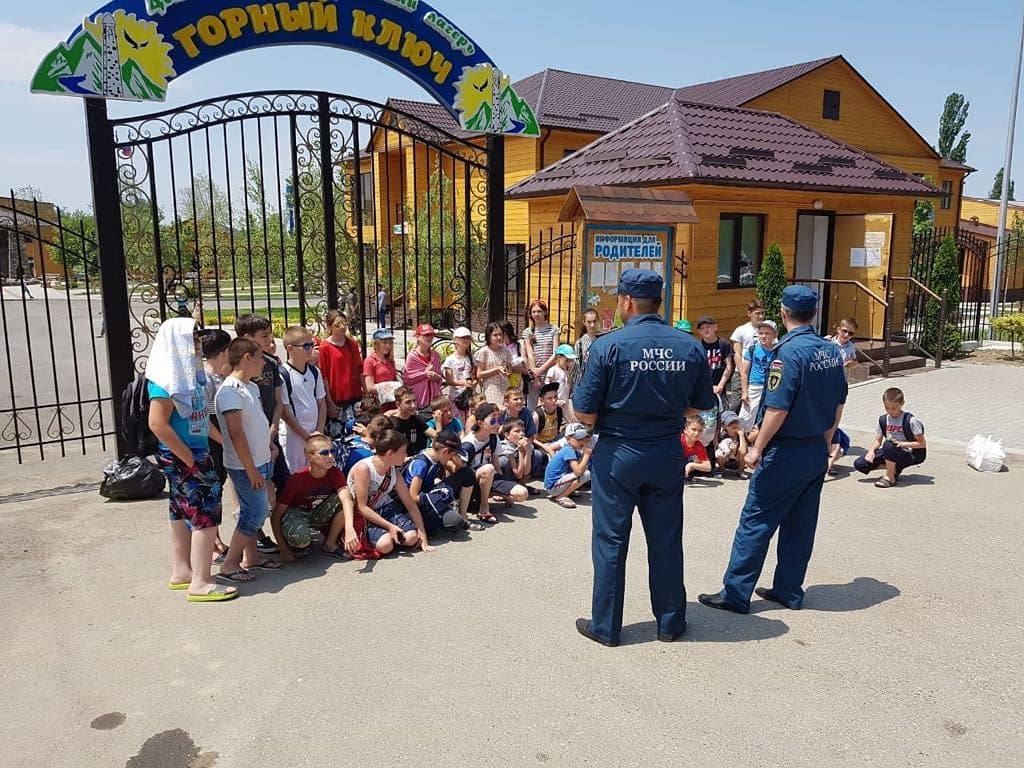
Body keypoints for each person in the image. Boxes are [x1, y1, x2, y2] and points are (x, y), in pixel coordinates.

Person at [572, 267, 715, 646]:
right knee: (666, 539)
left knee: (610, 540)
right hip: (666, 449)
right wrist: (664, 413)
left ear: (626, 301)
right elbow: (701, 404)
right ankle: (670, 622)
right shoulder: (688, 345)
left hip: (619, 451)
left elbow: (584, 413)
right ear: (659, 301)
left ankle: (606, 626)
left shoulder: (608, 345)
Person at [698, 285, 847, 615]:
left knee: (756, 520)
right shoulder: (830, 351)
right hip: (813, 450)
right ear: (814, 314)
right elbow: (839, 402)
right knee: (800, 523)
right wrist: (825, 442)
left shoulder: (788, 353)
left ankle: (736, 594)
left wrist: (756, 448)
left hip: (786, 450)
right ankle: (789, 590)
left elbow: (778, 409)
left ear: (782, 312)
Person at [146, 318, 234, 602]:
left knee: (181, 511)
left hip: (195, 452)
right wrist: (189, 458)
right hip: (185, 456)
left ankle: (183, 571)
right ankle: (201, 581)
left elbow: (198, 419)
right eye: (193, 339)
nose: (198, 343)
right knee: (205, 514)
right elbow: (157, 423)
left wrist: (224, 442)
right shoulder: (164, 379)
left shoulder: (190, 376)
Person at [215, 337, 284, 583]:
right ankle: (231, 563)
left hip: (261, 459)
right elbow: (236, 433)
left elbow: (254, 424)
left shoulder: (250, 387)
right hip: (246, 465)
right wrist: (251, 469)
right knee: (254, 513)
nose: (263, 364)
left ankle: (251, 556)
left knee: (257, 509)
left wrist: (268, 447)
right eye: (259, 358)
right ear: (246, 357)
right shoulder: (229, 391)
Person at [234, 314, 287, 552]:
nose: (269, 339)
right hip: (251, 442)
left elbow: (278, 401)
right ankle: (253, 542)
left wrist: (274, 425)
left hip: (270, 435)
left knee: (282, 483)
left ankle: (286, 530)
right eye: (264, 336)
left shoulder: (271, 364)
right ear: (247, 338)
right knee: (253, 494)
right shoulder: (235, 371)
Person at [270, 434, 357, 562]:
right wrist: (282, 549)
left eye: (332, 451)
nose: (331, 456)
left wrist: (350, 528)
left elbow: (346, 498)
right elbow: (275, 516)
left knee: (348, 498)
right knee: (301, 540)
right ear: (310, 457)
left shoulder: (334, 472)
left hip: (316, 512)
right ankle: (295, 542)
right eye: (324, 453)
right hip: (296, 514)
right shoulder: (297, 479)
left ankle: (330, 543)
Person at [347, 429, 433, 555]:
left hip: (385, 508)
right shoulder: (364, 469)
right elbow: (362, 507)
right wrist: (390, 526)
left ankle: (391, 536)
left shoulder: (394, 471)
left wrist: (423, 535)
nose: (406, 454)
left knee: (411, 537)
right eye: (403, 451)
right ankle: (386, 536)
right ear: (390, 453)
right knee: (385, 545)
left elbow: (410, 503)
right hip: (366, 514)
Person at [403, 429, 482, 533]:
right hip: (419, 502)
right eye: (453, 454)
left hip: (429, 492)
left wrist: (458, 464)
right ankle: (420, 523)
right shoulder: (421, 464)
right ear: (445, 451)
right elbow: (412, 497)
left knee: (466, 473)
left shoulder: (437, 457)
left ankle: (463, 515)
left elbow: (456, 472)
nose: (452, 458)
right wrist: (436, 497)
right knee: (455, 522)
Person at [462, 402, 529, 523]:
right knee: (488, 468)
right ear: (480, 423)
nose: (497, 424)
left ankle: (490, 493)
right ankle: (483, 508)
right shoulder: (468, 443)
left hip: (489, 476)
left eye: (499, 420)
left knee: (522, 493)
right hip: (471, 481)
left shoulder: (493, 438)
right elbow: (460, 471)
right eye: (493, 421)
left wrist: (504, 491)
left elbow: (497, 466)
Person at [853, 388, 926, 487]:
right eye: (887, 408)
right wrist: (871, 451)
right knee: (860, 464)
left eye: (894, 408)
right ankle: (894, 468)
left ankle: (890, 477)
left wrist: (903, 444)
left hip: (908, 453)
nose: (890, 411)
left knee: (888, 445)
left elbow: (922, 444)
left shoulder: (911, 421)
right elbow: (877, 440)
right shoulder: (883, 420)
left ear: (902, 404)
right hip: (890, 451)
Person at [278, 326, 327, 473]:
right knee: (297, 475)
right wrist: (305, 436)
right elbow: (285, 412)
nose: (311, 349)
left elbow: (321, 403)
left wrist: (319, 431)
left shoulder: (314, 371)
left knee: (316, 472)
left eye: (312, 344)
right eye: (306, 346)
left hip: (314, 433)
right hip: (294, 437)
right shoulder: (283, 374)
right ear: (290, 348)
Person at [318, 309, 364, 426]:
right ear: (329, 327)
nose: (342, 327)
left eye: (345, 324)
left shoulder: (352, 343)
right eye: (338, 325)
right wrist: (329, 403)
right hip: (336, 401)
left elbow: (360, 369)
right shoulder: (325, 347)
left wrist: (366, 393)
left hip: (355, 398)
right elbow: (324, 377)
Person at [739, 319, 778, 432]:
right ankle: (743, 440)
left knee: (768, 415)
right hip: (755, 386)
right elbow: (744, 372)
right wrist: (745, 391)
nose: (763, 336)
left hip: (772, 387)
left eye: (767, 333)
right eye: (761, 333)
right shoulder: (753, 350)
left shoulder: (779, 351)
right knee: (747, 416)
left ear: (774, 335)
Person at [543, 422, 593, 509]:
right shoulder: (568, 450)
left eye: (584, 438)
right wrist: (586, 455)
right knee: (586, 474)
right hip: (553, 487)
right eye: (578, 439)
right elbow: (578, 472)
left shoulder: (572, 450)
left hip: (558, 483)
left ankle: (566, 491)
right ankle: (561, 496)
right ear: (568, 439)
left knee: (584, 471)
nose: (582, 441)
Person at [728, 299, 766, 411]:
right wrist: (743, 373)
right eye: (757, 313)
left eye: (762, 313)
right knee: (737, 403)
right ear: (749, 313)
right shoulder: (741, 330)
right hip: (741, 372)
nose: (760, 316)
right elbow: (737, 354)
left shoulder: (767, 329)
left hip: (759, 373)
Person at [523, 300, 561, 409]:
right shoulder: (528, 332)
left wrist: (542, 369)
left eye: (539, 311)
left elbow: (556, 353)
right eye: (533, 312)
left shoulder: (554, 330)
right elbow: (530, 354)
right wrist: (536, 374)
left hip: (549, 371)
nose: (536, 314)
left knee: (550, 401)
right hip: (535, 374)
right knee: (533, 404)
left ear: (545, 312)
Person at [403, 323, 444, 410]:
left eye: (431, 335)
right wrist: (425, 374)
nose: (429, 337)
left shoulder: (435, 355)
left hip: (435, 399)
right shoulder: (412, 356)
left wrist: (436, 377)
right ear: (418, 337)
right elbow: (408, 379)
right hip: (419, 398)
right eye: (426, 335)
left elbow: (440, 378)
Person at [474, 322, 513, 406]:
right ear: (489, 336)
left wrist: (507, 371)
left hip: (505, 387)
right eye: (495, 335)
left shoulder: (505, 351)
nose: (499, 337)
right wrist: (497, 370)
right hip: (491, 389)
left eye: (500, 334)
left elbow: (510, 370)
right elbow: (479, 374)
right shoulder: (484, 352)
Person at [441, 326, 476, 421]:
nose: (466, 340)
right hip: (456, 397)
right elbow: (449, 380)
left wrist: (473, 382)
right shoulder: (450, 360)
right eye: (462, 338)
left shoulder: (470, 358)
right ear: (455, 340)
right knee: (458, 423)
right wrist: (463, 383)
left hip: (469, 396)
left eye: (468, 337)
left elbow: (474, 375)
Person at [696, 315, 734, 401]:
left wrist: (720, 385)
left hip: (719, 386)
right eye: (702, 328)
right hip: (702, 387)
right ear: (699, 332)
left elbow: (729, 367)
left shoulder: (724, 344)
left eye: (708, 327)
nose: (706, 330)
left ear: (715, 328)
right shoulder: (697, 346)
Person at [363, 327, 399, 407]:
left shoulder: (390, 361)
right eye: (384, 342)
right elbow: (369, 387)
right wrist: (390, 390)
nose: (388, 346)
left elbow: (394, 381)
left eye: (390, 343)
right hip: (378, 404)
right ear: (376, 344)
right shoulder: (370, 361)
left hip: (392, 402)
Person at [391, 386, 429, 454]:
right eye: (408, 402)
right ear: (398, 404)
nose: (413, 405)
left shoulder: (415, 418)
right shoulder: (393, 424)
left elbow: (435, 435)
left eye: (414, 401)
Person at [571, 308, 600, 394]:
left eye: (594, 321)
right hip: (585, 385)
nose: (592, 325)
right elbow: (577, 367)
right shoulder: (579, 343)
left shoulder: (604, 338)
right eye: (589, 322)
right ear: (584, 322)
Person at [714, 410, 749, 479]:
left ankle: (740, 470)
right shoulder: (722, 435)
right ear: (724, 426)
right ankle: (721, 469)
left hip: (736, 461)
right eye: (730, 423)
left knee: (744, 449)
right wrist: (730, 450)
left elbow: (744, 451)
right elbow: (718, 451)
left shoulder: (741, 434)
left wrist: (741, 435)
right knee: (721, 452)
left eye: (736, 422)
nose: (734, 425)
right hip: (725, 460)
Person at [533, 382, 565, 457]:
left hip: (556, 440)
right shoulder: (537, 415)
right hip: (542, 444)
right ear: (542, 401)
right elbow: (533, 439)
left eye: (555, 397)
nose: (554, 400)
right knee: (538, 455)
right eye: (550, 398)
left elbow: (572, 423)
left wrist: (565, 408)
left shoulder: (559, 410)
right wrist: (547, 448)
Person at [545, 344, 577, 414]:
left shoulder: (566, 372)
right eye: (567, 360)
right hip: (555, 404)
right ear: (559, 357)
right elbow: (547, 387)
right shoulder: (553, 370)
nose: (569, 363)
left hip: (564, 404)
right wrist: (555, 400)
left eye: (570, 361)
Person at [681, 414, 712, 482]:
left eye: (700, 430)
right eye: (694, 429)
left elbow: (708, 467)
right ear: (685, 430)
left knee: (696, 459)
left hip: (684, 463)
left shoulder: (699, 446)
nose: (697, 433)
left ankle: (684, 475)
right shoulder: (678, 440)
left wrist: (691, 465)